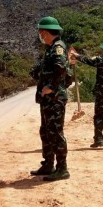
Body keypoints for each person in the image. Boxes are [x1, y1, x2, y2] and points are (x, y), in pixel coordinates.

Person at [29, 16, 71, 181]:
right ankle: (48, 164)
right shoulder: (51, 48)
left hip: (55, 98)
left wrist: (51, 87)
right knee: (46, 131)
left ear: (45, 32)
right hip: (48, 99)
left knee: (55, 132)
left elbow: (60, 68)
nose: (40, 36)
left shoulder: (58, 47)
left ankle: (62, 169)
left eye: (41, 33)